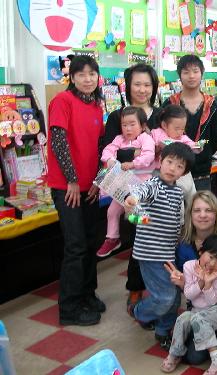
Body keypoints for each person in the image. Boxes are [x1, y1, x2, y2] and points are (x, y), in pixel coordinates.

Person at [47, 55, 105, 326]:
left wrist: (96, 181)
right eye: (81, 74)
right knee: (76, 246)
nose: (88, 79)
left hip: (90, 187)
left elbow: (97, 149)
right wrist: (72, 180)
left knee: (91, 241)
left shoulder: (96, 105)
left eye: (92, 74)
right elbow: (58, 141)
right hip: (66, 187)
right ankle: (69, 308)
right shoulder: (62, 101)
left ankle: (87, 294)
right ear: (72, 77)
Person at [102, 63, 162, 311]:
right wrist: (136, 154)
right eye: (137, 83)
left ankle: (159, 287)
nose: (142, 89)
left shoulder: (160, 114)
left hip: (156, 182)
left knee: (156, 238)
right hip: (126, 185)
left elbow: (167, 147)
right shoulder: (118, 116)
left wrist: (140, 153)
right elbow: (110, 151)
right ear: (128, 86)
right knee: (138, 236)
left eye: (147, 84)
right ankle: (136, 288)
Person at [125, 142, 195, 350]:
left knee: (173, 297)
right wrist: (133, 199)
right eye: (169, 161)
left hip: (167, 252)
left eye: (179, 166)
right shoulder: (154, 184)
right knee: (165, 297)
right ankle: (138, 311)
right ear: (161, 161)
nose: (173, 168)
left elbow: (176, 220)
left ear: (184, 172)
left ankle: (163, 330)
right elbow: (141, 190)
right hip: (149, 253)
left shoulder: (177, 192)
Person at [166, 191, 217, 365]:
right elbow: (188, 287)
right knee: (194, 358)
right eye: (197, 210)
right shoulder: (184, 244)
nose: (202, 215)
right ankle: (207, 335)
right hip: (199, 308)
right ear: (190, 214)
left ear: (216, 214)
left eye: (208, 210)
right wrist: (181, 283)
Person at [161, 235, 217, 375]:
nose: (213, 263)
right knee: (182, 319)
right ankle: (175, 353)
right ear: (201, 252)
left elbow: (212, 302)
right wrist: (201, 282)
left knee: (198, 319)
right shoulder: (188, 266)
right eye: (211, 256)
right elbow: (188, 295)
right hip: (199, 310)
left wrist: (208, 283)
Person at [97, 106, 155, 257]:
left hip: (141, 183)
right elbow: (107, 150)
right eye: (124, 125)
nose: (128, 129)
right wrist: (109, 159)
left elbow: (149, 155)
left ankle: (148, 236)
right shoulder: (119, 139)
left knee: (138, 216)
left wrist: (133, 163)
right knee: (112, 211)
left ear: (142, 126)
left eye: (132, 124)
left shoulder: (145, 138)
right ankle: (112, 237)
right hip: (123, 183)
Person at [162, 54, 217, 191]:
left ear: (202, 74)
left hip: (202, 172)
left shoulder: (212, 105)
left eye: (195, 71)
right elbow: (162, 134)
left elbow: (215, 138)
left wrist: (203, 151)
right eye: (186, 72)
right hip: (174, 171)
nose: (191, 76)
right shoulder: (169, 104)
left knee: (201, 211)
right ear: (180, 75)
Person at [151, 104, 200, 200]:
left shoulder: (182, 137)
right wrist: (157, 147)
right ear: (164, 125)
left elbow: (190, 144)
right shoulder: (156, 133)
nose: (180, 132)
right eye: (177, 129)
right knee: (171, 197)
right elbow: (150, 147)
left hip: (180, 171)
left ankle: (195, 208)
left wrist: (197, 146)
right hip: (160, 172)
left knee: (191, 194)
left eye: (182, 129)